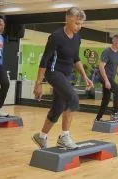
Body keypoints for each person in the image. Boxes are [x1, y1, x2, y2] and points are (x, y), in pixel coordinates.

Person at [32, 7, 93, 149]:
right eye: (77, 23)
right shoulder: (56, 36)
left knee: (58, 108)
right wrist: (38, 83)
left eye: (81, 23)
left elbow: (76, 59)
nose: (79, 26)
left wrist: (85, 77)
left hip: (66, 75)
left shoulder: (77, 38)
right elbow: (45, 60)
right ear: (68, 19)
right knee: (73, 98)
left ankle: (41, 137)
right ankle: (64, 137)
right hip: (53, 72)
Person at [95, 35, 118, 121]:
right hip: (104, 77)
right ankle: (115, 113)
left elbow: (117, 66)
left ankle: (98, 118)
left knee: (106, 99)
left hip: (110, 78)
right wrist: (106, 81)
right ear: (115, 42)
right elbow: (101, 66)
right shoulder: (107, 52)